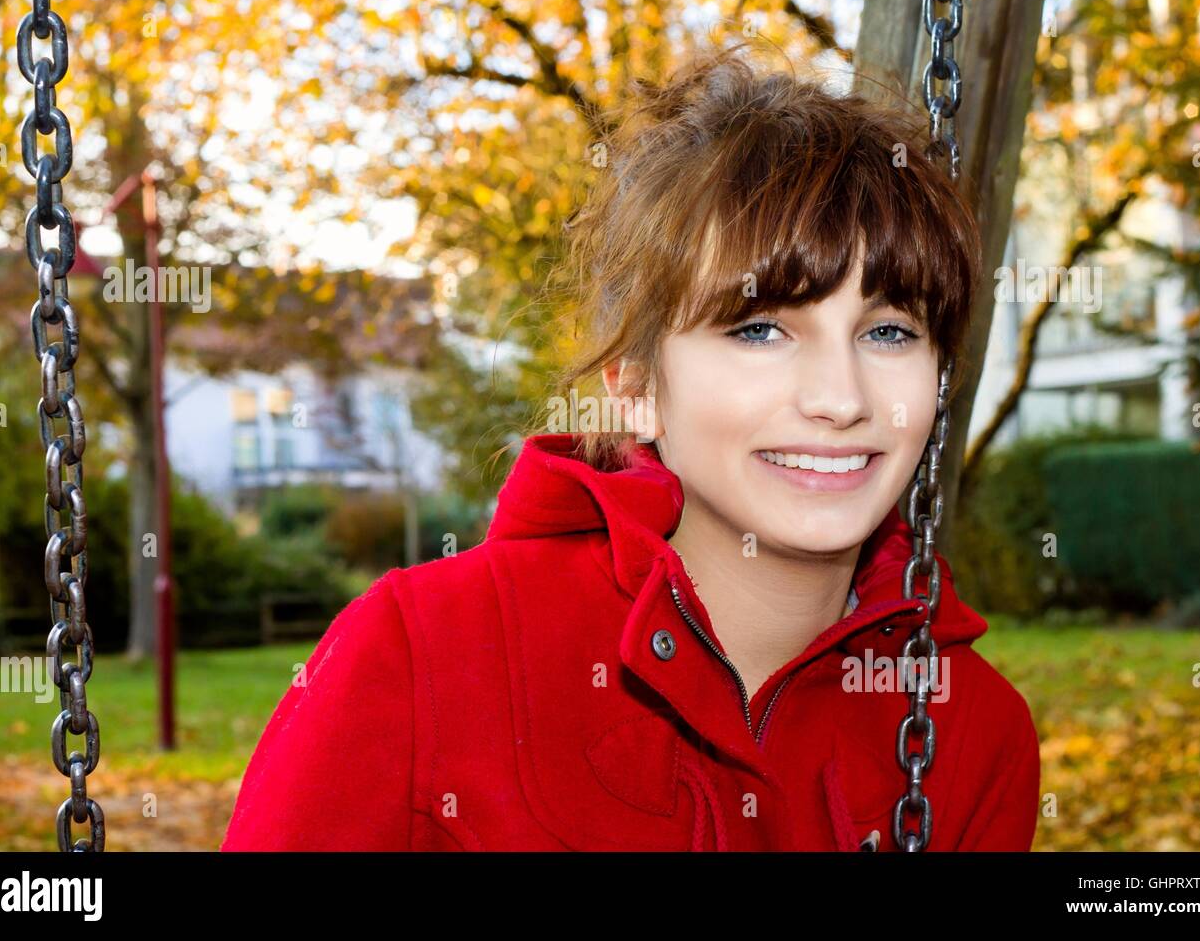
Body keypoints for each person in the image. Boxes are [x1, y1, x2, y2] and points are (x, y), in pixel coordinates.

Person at [221, 42, 1040, 852]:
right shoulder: (421, 656)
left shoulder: (968, 727)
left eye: (890, 332)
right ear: (635, 386)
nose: (840, 399)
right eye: (759, 330)